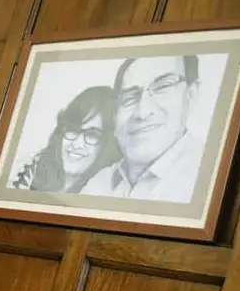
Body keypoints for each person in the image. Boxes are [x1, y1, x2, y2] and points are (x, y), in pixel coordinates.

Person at [81, 55, 207, 202]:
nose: (142, 112)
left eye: (162, 87)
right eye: (129, 97)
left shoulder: (209, 179)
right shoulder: (99, 183)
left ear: (190, 95)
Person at [9, 86, 120, 193]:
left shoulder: (109, 192)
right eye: (73, 129)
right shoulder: (24, 174)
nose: (77, 144)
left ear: (107, 144)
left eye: (92, 135)